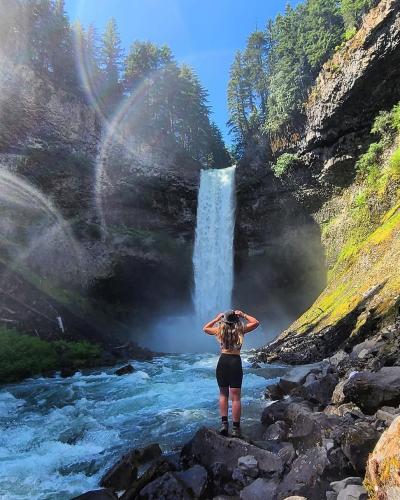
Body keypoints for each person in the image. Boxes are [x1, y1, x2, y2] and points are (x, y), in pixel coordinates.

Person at [203, 309, 260, 438]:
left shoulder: (219, 330)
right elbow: (256, 322)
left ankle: (224, 424)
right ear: (236, 320)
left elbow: (205, 328)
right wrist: (243, 315)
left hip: (222, 362)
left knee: (223, 394)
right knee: (236, 397)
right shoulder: (240, 329)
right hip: (235, 362)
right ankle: (235, 428)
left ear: (224, 320)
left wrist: (216, 319)